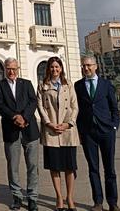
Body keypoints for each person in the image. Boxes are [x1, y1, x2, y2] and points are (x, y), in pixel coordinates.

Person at [0, 57, 40, 211]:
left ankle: (32, 197)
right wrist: (14, 117)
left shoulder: (26, 84)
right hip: (11, 131)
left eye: (14, 68)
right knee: (13, 166)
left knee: (32, 165)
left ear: (18, 69)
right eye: (8, 69)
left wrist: (24, 117)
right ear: (5, 69)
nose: (11, 71)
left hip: (29, 130)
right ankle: (17, 196)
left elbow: (33, 101)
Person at [75, 54, 120, 211]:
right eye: (83, 66)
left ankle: (113, 202)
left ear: (96, 66)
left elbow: (114, 107)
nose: (86, 68)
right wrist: (80, 131)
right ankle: (98, 202)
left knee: (110, 168)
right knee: (93, 168)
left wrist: (114, 126)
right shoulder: (78, 86)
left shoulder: (106, 84)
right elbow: (78, 111)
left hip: (106, 131)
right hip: (88, 133)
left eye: (88, 65)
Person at [37, 57, 79, 211]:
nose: (54, 69)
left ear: (61, 68)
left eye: (57, 67)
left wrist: (68, 123)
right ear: (48, 69)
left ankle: (70, 197)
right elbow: (40, 106)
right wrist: (49, 123)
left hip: (67, 131)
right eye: (52, 67)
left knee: (69, 167)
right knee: (54, 167)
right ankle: (59, 198)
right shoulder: (43, 86)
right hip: (51, 130)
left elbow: (75, 106)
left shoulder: (69, 85)